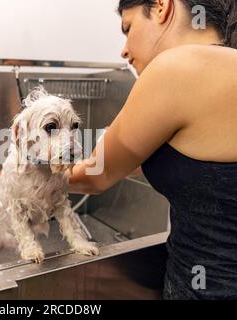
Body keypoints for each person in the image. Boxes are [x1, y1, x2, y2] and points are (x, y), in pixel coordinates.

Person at [66, 0, 237, 299]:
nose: (124, 50)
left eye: (128, 28)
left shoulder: (176, 67)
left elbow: (94, 175)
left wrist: (26, 174)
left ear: (161, 7)